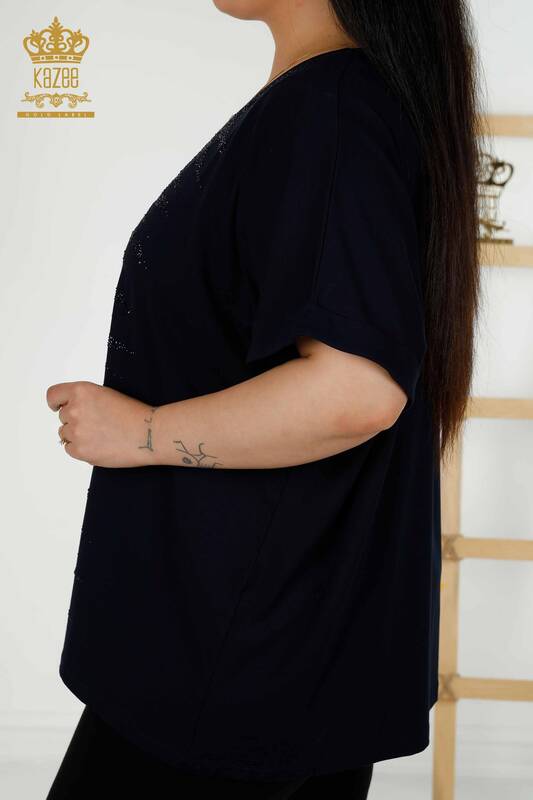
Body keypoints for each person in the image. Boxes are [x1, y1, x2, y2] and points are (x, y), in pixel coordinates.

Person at [45, 0, 485, 797]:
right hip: (264, 656)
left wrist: (140, 432)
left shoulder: (333, 110)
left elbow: (354, 391)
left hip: (235, 662)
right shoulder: (336, 105)